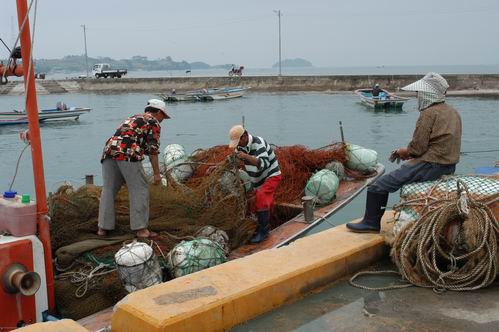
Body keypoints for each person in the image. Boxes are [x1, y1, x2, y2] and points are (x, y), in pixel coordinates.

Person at [347, 73, 462, 233]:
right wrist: (409, 153)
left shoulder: (429, 113)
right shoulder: (452, 112)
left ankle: (370, 223)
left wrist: (404, 151)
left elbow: (418, 148)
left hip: (431, 165)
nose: (417, 97)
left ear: (426, 94)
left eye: (418, 94)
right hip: (449, 166)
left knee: (377, 186)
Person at [97, 99, 170, 238]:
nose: (163, 120)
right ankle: (141, 229)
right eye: (164, 117)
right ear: (159, 112)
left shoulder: (134, 117)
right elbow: (153, 151)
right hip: (128, 153)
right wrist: (156, 174)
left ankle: (102, 228)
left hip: (109, 151)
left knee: (108, 189)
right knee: (139, 189)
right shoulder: (153, 122)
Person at [228, 125, 282, 243]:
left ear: (245, 136)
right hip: (257, 180)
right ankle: (265, 224)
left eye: (238, 142)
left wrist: (246, 157)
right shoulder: (239, 148)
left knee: (262, 196)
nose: (237, 146)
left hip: (271, 176)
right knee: (255, 201)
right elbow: (233, 162)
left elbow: (264, 164)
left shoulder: (259, 143)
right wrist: (216, 168)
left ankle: (264, 232)